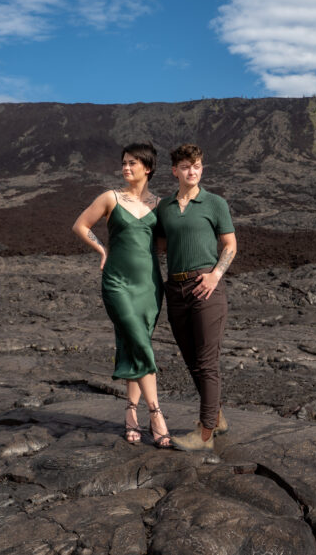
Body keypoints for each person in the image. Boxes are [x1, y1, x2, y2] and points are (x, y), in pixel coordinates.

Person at [71, 143, 171, 448]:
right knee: (139, 341)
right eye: (124, 163)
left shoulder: (160, 205)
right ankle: (156, 413)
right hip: (117, 283)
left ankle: (130, 413)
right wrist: (102, 248)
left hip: (150, 286)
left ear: (148, 168)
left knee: (134, 343)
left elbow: (163, 245)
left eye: (132, 164)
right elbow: (80, 225)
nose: (126, 168)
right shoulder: (110, 198)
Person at [156, 143, 237, 452]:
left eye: (198, 166)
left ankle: (205, 435)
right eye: (187, 166)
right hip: (175, 290)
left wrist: (216, 275)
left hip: (206, 287)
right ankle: (216, 417)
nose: (193, 171)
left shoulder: (214, 203)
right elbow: (158, 247)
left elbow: (230, 245)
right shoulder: (164, 207)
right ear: (175, 170)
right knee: (191, 361)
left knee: (206, 361)